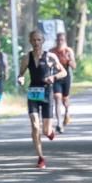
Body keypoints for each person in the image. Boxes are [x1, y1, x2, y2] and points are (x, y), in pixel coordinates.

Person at [17, 29, 66, 169]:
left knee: (45, 130)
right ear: (30, 41)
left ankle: (50, 132)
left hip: (46, 93)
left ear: (43, 41)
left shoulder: (50, 57)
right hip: (33, 93)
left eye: (39, 40)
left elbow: (64, 72)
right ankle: (40, 157)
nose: (36, 43)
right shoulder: (27, 58)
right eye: (34, 40)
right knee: (34, 125)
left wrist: (54, 77)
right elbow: (21, 74)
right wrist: (20, 79)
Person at [50, 32, 77, 131]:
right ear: (56, 40)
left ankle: (67, 112)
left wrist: (69, 60)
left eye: (62, 40)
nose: (60, 42)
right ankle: (59, 123)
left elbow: (74, 67)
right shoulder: (52, 52)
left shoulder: (68, 51)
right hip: (56, 77)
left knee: (65, 100)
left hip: (66, 77)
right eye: (58, 40)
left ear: (65, 41)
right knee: (57, 98)